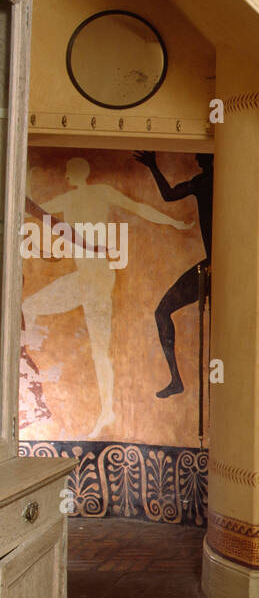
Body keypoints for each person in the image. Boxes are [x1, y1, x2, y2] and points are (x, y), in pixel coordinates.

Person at [22, 156, 194, 437]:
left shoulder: (101, 193)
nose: (65, 175)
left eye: (66, 170)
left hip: (98, 279)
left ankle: (107, 411)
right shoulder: (69, 199)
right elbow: (33, 212)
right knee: (29, 305)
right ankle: (29, 381)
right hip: (84, 279)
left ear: (74, 173)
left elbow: (138, 207)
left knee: (99, 349)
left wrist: (174, 222)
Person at [133, 151, 214, 397]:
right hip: (213, 265)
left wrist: (153, 166)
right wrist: (153, 166)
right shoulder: (203, 182)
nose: (197, 160)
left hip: (221, 266)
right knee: (162, 311)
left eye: (201, 158)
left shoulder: (206, 181)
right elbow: (168, 195)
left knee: (162, 311)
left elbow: (168, 195)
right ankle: (176, 380)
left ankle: (177, 380)